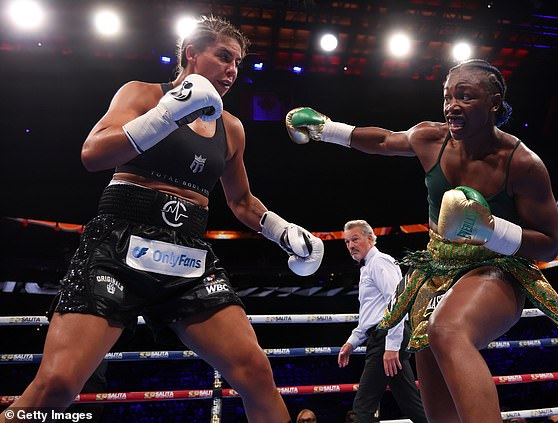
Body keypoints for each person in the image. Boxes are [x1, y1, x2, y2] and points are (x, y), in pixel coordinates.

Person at [0, 15, 325, 423]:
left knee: (257, 373)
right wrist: (168, 113)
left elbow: (241, 201)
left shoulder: (232, 128)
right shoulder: (142, 94)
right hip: (119, 241)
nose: (232, 70)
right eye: (223, 56)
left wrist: (283, 231)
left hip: (187, 255)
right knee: (58, 386)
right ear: (191, 53)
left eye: (238, 63)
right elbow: (93, 153)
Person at [285, 59, 558, 423]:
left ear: (494, 102)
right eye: (447, 96)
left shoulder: (522, 164)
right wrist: (326, 129)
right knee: (432, 369)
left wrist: (490, 229)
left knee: (448, 330)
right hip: (435, 271)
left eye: (465, 96)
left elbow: (549, 244)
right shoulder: (432, 138)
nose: (452, 105)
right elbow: (383, 140)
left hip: (496, 268)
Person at [339, 220, 428, 423]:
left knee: (363, 406)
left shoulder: (379, 262)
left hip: (385, 338)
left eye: (355, 239)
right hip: (382, 337)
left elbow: (397, 303)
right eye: (346, 242)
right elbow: (369, 315)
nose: (350, 245)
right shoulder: (368, 267)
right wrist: (352, 342)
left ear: (370, 238)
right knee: (412, 405)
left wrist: (392, 346)